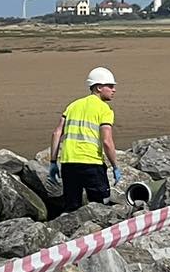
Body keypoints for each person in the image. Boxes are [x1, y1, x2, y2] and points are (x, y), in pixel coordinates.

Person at [49, 66, 120, 213]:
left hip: (69, 163)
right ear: (99, 87)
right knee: (101, 207)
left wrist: (53, 162)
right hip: (91, 163)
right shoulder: (104, 109)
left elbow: (57, 133)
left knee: (71, 208)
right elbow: (107, 141)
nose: (114, 90)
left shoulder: (72, 105)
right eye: (110, 86)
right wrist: (115, 166)